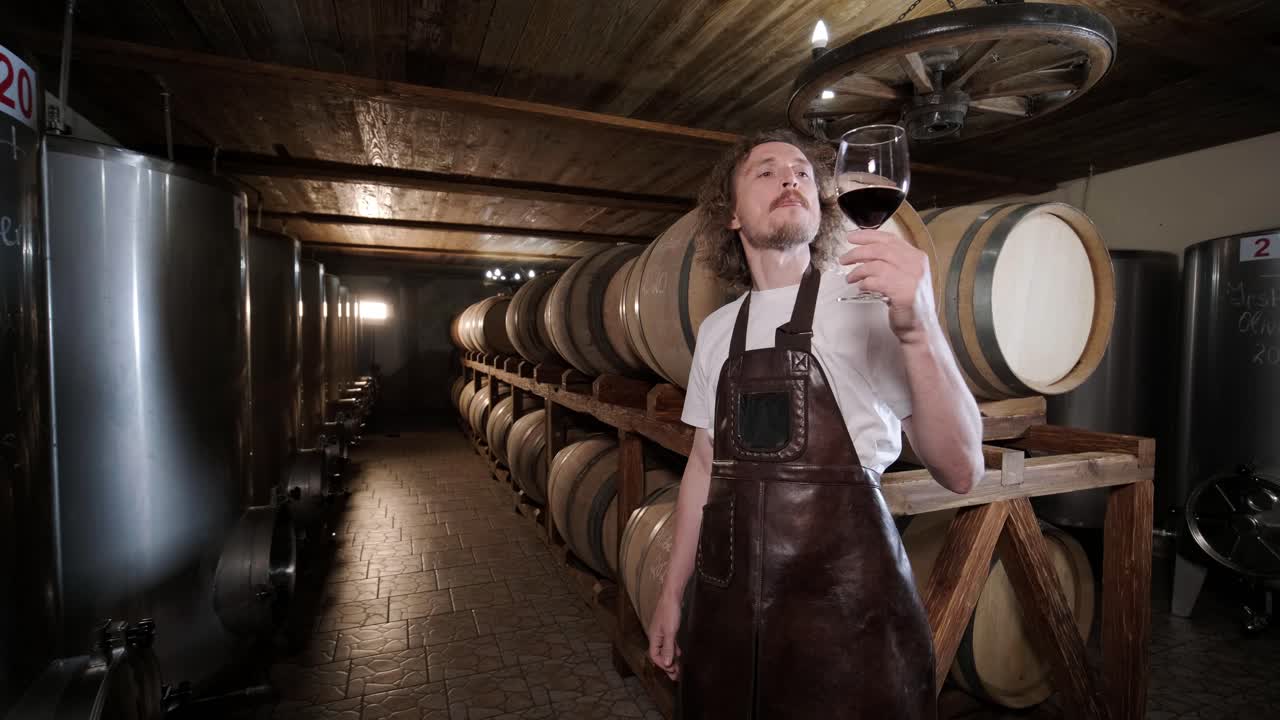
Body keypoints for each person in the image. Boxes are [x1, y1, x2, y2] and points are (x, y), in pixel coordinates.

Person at [647, 128, 984, 720]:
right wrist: (672, 595)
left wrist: (919, 325)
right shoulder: (717, 331)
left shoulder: (868, 305)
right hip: (731, 612)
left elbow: (961, 470)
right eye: (767, 170)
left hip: (848, 615)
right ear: (730, 215)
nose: (791, 178)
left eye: (803, 171)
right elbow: (704, 467)